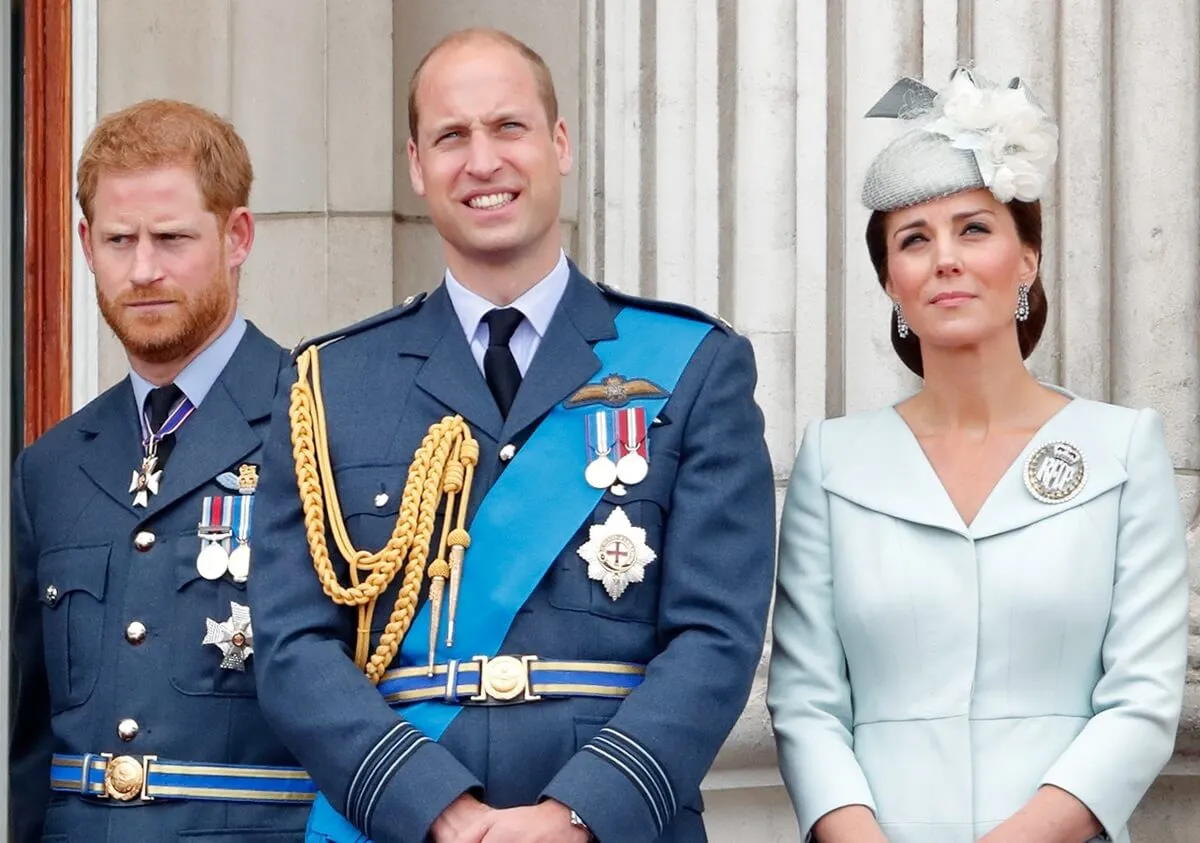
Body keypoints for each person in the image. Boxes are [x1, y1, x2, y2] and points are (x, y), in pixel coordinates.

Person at [249, 27, 776, 843]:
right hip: (406, 824)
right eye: (451, 136)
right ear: (417, 166)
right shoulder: (328, 383)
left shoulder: (694, 364)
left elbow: (715, 635)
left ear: (559, 145)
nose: (482, 160)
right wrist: (436, 809)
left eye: (508, 127)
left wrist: (577, 814)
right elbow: (290, 647)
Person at [767, 69, 1188, 843]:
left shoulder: (1122, 447)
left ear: (1027, 258)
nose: (945, 259)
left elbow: (1142, 699)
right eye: (914, 240)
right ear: (891, 282)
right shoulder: (833, 460)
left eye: (974, 228)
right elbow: (806, 701)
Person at [9, 99, 314, 842]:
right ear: (86, 244)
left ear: (237, 236)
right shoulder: (49, 467)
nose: (143, 270)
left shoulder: (321, 425)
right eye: (119, 240)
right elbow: (26, 743)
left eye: (171, 238)